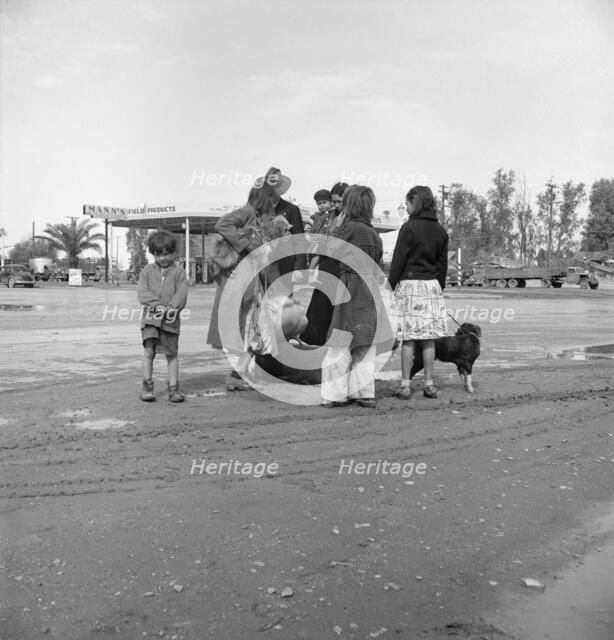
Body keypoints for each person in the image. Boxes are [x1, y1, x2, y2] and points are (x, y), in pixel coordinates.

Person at [206, 179, 280, 391]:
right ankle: (237, 375)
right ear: (263, 200)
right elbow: (222, 224)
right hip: (239, 279)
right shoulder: (247, 212)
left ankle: (238, 374)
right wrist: (245, 245)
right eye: (271, 202)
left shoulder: (256, 216)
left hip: (248, 278)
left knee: (248, 327)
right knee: (245, 326)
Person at [320, 185, 383, 409]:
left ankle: (333, 395)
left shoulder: (350, 229)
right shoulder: (374, 235)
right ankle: (364, 393)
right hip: (369, 289)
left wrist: (335, 227)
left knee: (339, 344)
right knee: (364, 345)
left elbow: (329, 250)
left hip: (349, 286)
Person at [388, 185, 448, 399]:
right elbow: (442, 266)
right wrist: (438, 287)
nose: (406, 208)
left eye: (408, 204)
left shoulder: (408, 228)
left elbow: (398, 261)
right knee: (429, 339)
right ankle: (429, 384)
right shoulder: (441, 231)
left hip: (410, 286)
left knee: (408, 339)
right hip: (431, 286)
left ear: (417, 202)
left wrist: (390, 287)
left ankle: (405, 385)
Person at [137, 230, 189, 402]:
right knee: (148, 351)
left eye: (166, 254)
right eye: (158, 255)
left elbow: (181, 294)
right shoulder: (146, 271)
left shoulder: (179, 272)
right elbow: (142, 292)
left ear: (173, 253)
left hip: (171, 321)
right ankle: (147, 387)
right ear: (153, 254)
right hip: (150, 320)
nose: (163, 258)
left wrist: (171, 308)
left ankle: (173, 389)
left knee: (171, 354)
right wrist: (157, 306)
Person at [299, 181, 349, 345]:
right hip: (326, 266)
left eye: (338, 201)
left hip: (340, 269)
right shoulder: (330, 216)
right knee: (320, 308)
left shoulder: (351, 219)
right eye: (333, 201)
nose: (335, 205)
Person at [264, 167, 308, 280]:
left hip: (286, 266)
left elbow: (299, 240)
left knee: (286, 297)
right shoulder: (259, 210)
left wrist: (299, 267)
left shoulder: (292, 209)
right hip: (265, 267)